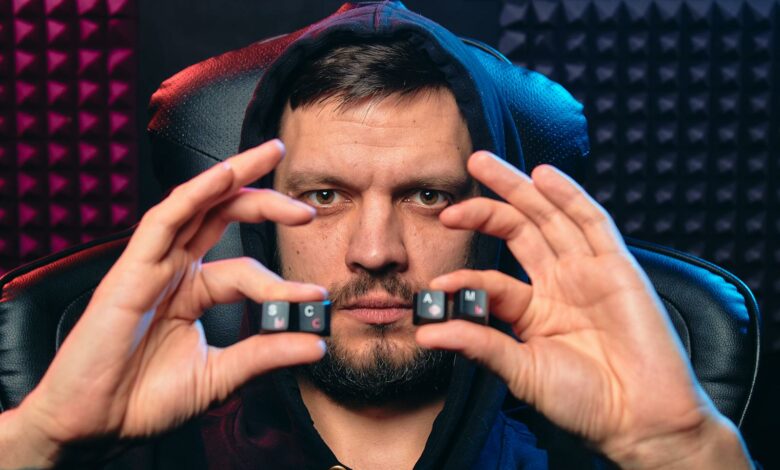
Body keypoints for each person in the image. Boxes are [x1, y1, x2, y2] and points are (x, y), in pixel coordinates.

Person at [0, 2, 755, 468]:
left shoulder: (603, 454)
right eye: (324, 196)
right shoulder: (140, 453)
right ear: (261, 224)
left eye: (428, 196)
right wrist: (38, 440)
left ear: (496, 227)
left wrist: (684, 452)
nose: (374, 251)